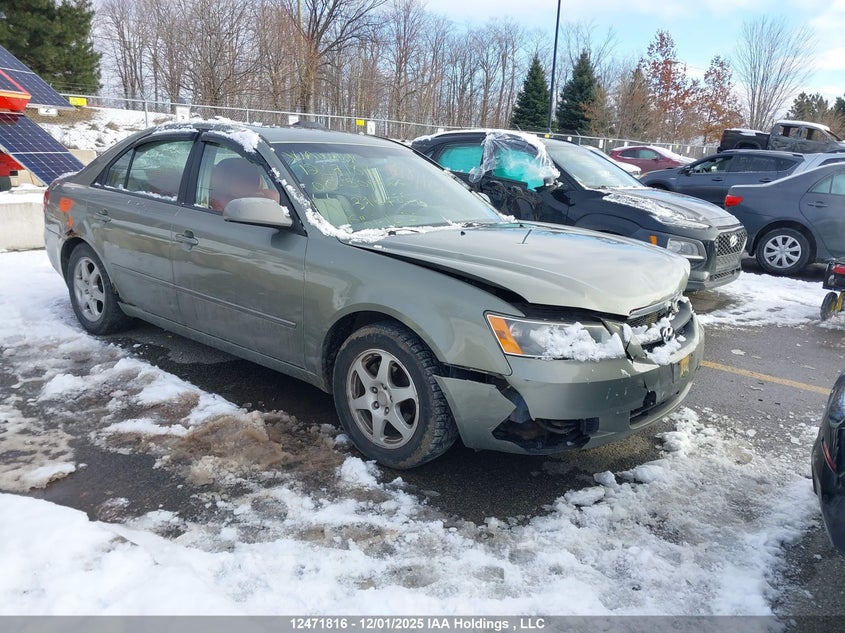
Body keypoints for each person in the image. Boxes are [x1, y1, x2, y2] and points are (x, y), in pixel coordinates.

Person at [209, 157, 280, 212]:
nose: (247, 182)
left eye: (250, 177)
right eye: (239, 176)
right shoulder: (219, 203)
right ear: (227, 180)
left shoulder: (269, 197)